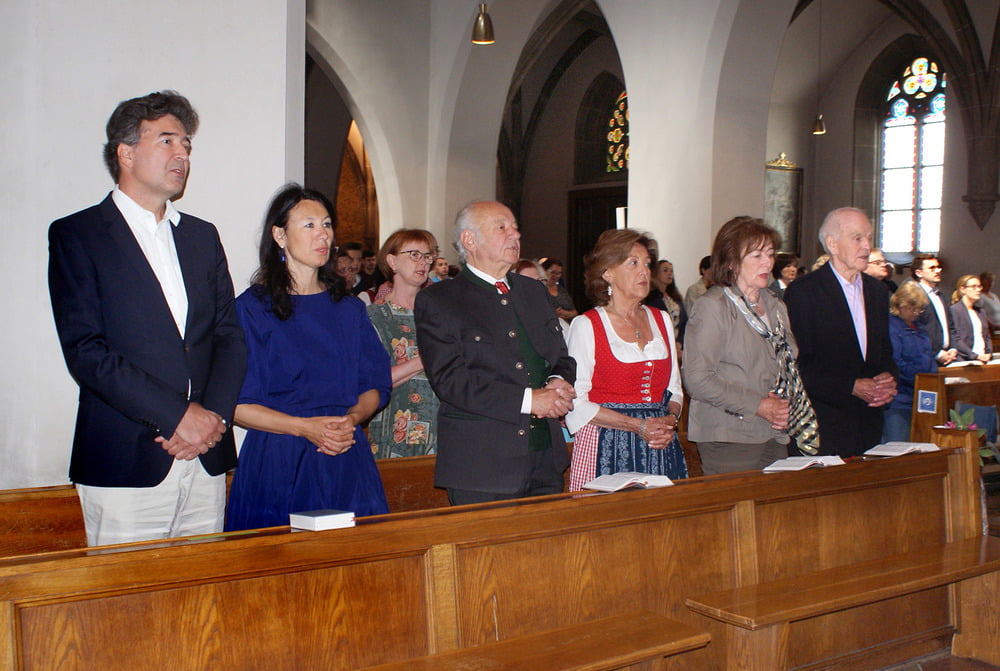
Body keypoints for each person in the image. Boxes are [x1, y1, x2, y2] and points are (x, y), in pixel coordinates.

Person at [47, 91, 247, 546]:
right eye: (167, 141)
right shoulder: (79, 234)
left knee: (201, 589)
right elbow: (87, 351)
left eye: (187, 145)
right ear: (126, 153)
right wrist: (176, 417)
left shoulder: (201, 236)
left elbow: (229, 337)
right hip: (126, 459)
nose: (182, 155)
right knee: (125, 592)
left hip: (205, 457)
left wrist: (211, 421)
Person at [224, 184, 391, 530]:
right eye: (309, 225)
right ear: (280, 235)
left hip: (343, 451)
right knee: (278, 560)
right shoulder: (252, 309)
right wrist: (304, 427)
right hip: (280, 457)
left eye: (327, 224)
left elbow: (375, 382)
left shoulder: (348, 309)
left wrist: (351, 419)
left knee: (358, 559)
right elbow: (236, 404)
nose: (323, 235)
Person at [414, 201, 577, 505]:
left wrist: (557, 381)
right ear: (470, 240)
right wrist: (530, 400)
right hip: (482, 465)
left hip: (544, 455)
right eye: (502, 227)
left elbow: (561, 356)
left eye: (515, 227)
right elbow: (451, 381)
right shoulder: (440, 300)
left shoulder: (533, 291)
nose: (515, 234)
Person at [684, 217, 818, 473]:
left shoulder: (776, 305)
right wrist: (759, 405)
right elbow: (697, 379)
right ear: (731, 261)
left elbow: (787, 366)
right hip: (729, 436)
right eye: (757, 255)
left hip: (775, 432)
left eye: (770, 254)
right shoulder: (713, 306)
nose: (768, 262)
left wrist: (786, 405)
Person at [565, 230, 687, 490]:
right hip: (606, 443)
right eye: (633, 263)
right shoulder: (587, 325)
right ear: (607, 272)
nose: (644, 271)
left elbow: (674, 388)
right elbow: (576, 402)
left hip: (659, 443)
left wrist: (670, 420)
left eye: (647, 264)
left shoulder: (662, 319)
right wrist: (636, 425)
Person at [784, 208, 898, 458]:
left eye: (869, 238)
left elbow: (884, 352)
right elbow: (797, 365)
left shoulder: (877, 292)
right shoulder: (805, 292)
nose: (866, 246)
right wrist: (850, 386)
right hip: (823, 425)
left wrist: (888, 379)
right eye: (857, 238)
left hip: (868, 424)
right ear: (833, 244)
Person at [367, 229, 441, 458]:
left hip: (440, 432)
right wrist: (426, 359)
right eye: (414, 254)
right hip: (393, 433)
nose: (423, 262)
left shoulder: (439, 316)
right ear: (392, 261)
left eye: (427, 256)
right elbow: (371, 381)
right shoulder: (373, 316)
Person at [882, 282, 935, 443]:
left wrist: (932, 379)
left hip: (921, 397)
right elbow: (895, 361)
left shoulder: (919, 328)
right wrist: (919, 379)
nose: (917, 313)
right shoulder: (891, 327)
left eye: (920, 309)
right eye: (913, 309)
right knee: (898, 444)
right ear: (901, 305)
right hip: (899, 397)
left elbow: (928, 355)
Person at [910, 253, 959, 365]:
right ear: (919, 273)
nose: (938, 271)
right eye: (932, 268)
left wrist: (953, 348)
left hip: (947, 355)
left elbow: (950, 326)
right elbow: (915, 330)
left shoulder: (941, 296)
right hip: (925, 357)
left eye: (938, 267)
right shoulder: (914, 296)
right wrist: (937, 353)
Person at [950, 274, 994, 362]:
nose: (978, 290)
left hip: (983, 358)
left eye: (979, 286)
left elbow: (986, 336)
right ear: (963, 289)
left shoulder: (980, 311)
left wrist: (989, 352)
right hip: (965, 359)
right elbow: (955, 338)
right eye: (974, 287)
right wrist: (974, 356)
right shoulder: (955, 310)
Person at [645, 259, 687, 343]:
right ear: (656, 273)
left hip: (679, 343)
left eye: (671, 271)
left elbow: (684, 322)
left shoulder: (675, 297)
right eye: (665, 271)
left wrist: (680, 342)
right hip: (661, 342)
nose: (669, 273)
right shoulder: (650, 298)